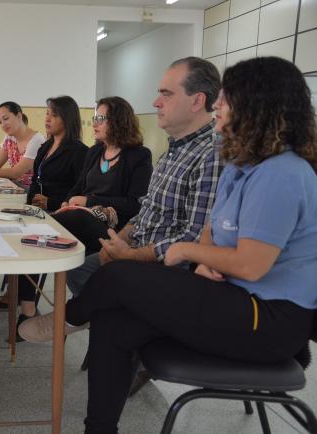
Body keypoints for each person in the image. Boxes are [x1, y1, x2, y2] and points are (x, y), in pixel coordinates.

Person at [52, 56, 317, 434]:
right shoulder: (241, 163)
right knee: (113, 320)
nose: (218, 105)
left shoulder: (283, 173)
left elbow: (251, 266)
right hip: (229, 295)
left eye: (227, 98)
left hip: (269, 320)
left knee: (120, 277)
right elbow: (210, 227)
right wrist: (208, 257)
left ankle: (69, 318)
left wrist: (188, 253)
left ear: (259, 105)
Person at [19, 57, 223, 340]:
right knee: (80, 268)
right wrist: (122, 241)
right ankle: (95, 314)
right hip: (130, 237)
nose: (155, 102)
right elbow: (146, 211)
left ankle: (76, 315)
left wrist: (127, 251)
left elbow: (192, 234)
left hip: (161, 256)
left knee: (95, 253)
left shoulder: (202, 154)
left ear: (197, 100)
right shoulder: (171, 151)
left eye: (165, 94)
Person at [8, 96, 87, 337]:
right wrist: (27, 205)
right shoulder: (45, 146)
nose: (47, 119)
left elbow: (79, 190)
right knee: (14, 235)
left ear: (68, 118)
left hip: (59, 213)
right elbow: (36, 180)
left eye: (53, 114)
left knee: (30, 241)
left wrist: (51, 202)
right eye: (46, 113)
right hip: (37, 210)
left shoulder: (79, 152)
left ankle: (28, 308)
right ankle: (17, 298)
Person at [52, 96, 152, 254]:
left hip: (114, 227)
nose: (95, 123)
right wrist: (66, 202)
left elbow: (135, 205)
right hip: (82, 217)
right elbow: (78, 186)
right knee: (44, 237)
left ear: (118, 121)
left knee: (71, 219)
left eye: (101, 118)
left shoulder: (139, 156)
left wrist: (89, 201)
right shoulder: (94, 151)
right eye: (95, 117)